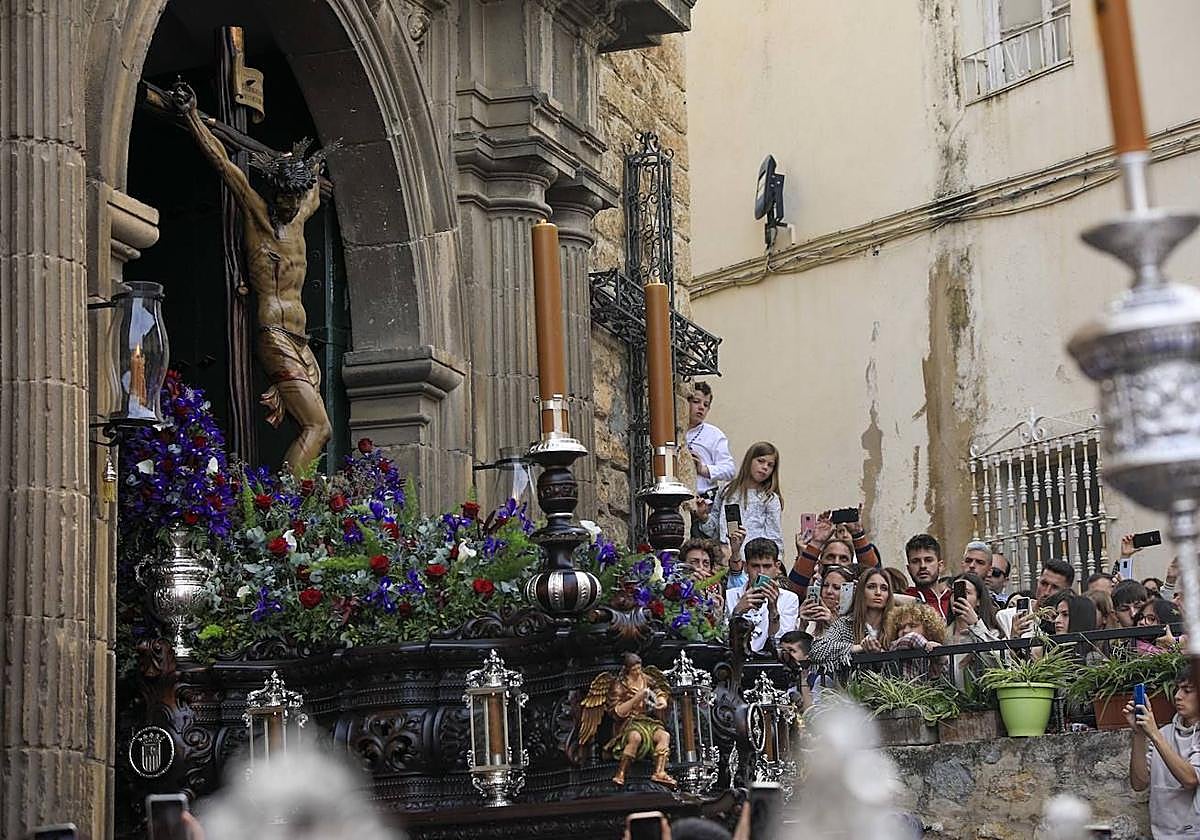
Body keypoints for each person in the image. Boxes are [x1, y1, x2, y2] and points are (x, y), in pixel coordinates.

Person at [173, 82, 335, 473]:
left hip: (301, 340)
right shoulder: (259, 215)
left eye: (293, 200)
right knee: (318, 426)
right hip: (274, 334)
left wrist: (315, 165)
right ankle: (285, 506)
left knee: (318, 427)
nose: (288, 207)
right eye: (282, 199)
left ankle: (299, 500)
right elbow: (224, 165)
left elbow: (313, 186)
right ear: (273, 192)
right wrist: (192, 116)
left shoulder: (299, 218)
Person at [1125, 681, 1200, 839]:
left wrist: (1154, 735)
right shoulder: (1163, 734)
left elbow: (1190, 779)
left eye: (1187, 690)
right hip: (1161, 835)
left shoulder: (1158, 736)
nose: (1177, 696)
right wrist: (1139, 734)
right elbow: (1139, 784)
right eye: (1177, 689)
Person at [809, 567, 898, 669]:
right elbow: (817, 650)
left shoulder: (897, 625)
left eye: (884, 588)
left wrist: (880, 653)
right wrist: (859, 648)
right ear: (861, 591)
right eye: (871, 587)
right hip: (853, 684)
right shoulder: (845, 623)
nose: (878, 593)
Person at [726, 537, 799, 653]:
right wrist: (737, 612)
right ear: (745, 567)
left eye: (767, 566)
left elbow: (782, 643)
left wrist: (773, 610)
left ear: (777, 567)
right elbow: (723, 639)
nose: (761, 572)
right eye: (755, 566)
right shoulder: (729, 596)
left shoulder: (789, 599)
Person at [718, 442, 784, 562]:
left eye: (770, 465)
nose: (765, 467)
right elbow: (715, 525)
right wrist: (703, 517)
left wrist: (776, 564)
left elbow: (774, 536)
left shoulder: (769, 498)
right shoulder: (728, 490)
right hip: (726, 557)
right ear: (749, 460)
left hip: (755, 562)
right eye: (761, 461)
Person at [787, 509, 882, 593]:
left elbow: (876, 577)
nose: (836, 562)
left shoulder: (860, 595)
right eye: (830, 557)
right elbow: (792, 592)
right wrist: (816, 543)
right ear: (820, 564)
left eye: (843, 559)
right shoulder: (811, 590)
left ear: (852, 564)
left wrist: (858, 534)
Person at [995, 559, 1075, 639]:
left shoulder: (1069, 621)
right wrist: (1014, 638)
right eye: (1044, 584)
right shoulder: (1006, 616)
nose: (1047, 592)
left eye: (1055, 587)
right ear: (1038, 581)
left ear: (1067, 591)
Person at [683, 382, 736, 499]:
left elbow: (729, 470)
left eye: (706, 405)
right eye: (696, 402)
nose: (701, 407)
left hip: (704, 501)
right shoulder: (673, 431)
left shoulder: (714, 434)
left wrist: (703, 469)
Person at [796, 564, 855, 639]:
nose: (829, 591)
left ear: (849, 593)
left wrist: (833, 625)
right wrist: (802, 626)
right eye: (825, 585)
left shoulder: (854, 624)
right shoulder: (810, 619)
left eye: (836, 588)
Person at [903, 533, 952, 622]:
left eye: (928, 560)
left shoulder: (953, 599)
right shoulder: (903, 600)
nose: (922, 566)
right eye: (915, 561)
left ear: (940, 566)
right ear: (908, 569)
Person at [681, 538, 725, 615]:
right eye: (694, 562)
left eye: (706, 563)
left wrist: (718, 613)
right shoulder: (675, 587)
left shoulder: (714, 589)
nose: (701, 567)